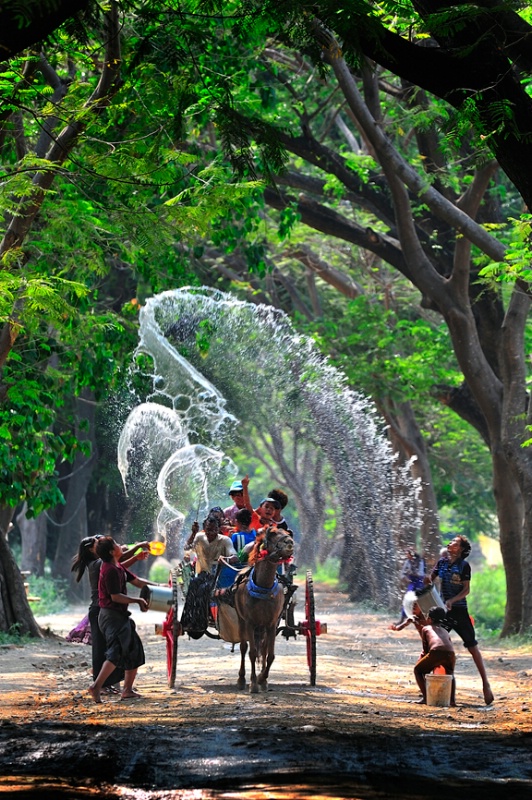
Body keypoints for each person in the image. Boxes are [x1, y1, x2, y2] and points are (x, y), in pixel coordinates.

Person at [71, 535, 150, 695]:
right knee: (103, 649)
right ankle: (100, 685)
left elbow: (119, 565)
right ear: (91, 549)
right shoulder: (98, 564)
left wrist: (135, 555)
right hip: (103, 610)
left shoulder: (107, 564)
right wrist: (137, 548)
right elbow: (118, 561)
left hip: (107, 610)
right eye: (96, 543)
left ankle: (111, 685)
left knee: (114, 647)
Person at [427, 534, 494, 705]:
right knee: (435, 647)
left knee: (472, 647)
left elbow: (466, 590)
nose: (450, 544)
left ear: (462, 550)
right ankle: (434, 690)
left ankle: (486, 685)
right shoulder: (442, 562)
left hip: (460, 612)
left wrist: (452, 600)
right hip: (444, 613)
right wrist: (427, 582)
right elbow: (430, 580)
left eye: (455, 543)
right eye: (450, 542)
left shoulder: (464, 566)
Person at [88, 536, 156, 704]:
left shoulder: (117, 566)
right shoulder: (110, 570)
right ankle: (96, 686)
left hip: (118, 616)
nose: (121, 546)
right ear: (112, 551)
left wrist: (160, 587)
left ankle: (127, 690)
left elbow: (138, 582)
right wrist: (137, 600)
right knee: (116, 652)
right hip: (111, 616)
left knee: (134, 649)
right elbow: (115, 597)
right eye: (117, 545)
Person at [413, 607, 456, 706]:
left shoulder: (426, 628)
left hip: (436, 651)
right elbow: (448, 644)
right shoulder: (445, 630)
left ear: (430, 619)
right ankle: (452, 701)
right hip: (451, 653)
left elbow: (426, 650)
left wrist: (426, 662)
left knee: (418, 671)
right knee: (451, 675)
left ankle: (426, 697)